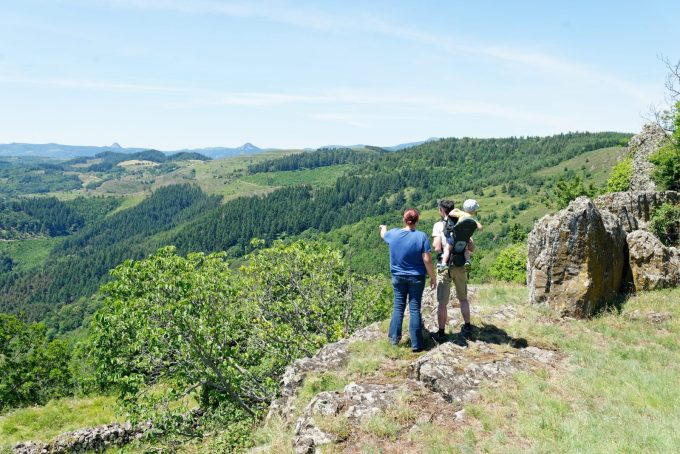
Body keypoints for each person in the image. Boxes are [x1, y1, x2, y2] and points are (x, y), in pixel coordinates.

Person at [380, 208, 437, 352]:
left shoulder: (393, 234)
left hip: (398, 277)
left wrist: (384, 228)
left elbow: (383, 235)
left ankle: (393, 341)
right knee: (414, 309)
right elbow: (427, 259)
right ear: (417, 220)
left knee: (398, 307)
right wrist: (433, 276)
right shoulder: (421, 237)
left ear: (404, 220)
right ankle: (417, 344)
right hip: (416, 277)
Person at [432, 200, 474, 342]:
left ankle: (441, 333)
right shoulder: (462, 223)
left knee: (442, 302)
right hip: (461, 264)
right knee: (463, 299)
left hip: (446, 267)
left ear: (441, 211)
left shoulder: (438, 226)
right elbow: (471, 247)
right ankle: (468, 326)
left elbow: (437, 247)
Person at [439, 199, 483, 271]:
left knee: (447, 249)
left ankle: (443, 264)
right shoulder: (473, 219)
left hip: (454, 237)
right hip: (465, 239)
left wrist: (456, 209)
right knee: (465, 250)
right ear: (474, 210)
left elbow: (450, 214)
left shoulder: (461, 213)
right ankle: (468, 262)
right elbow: (481, 228)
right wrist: (475, 223)